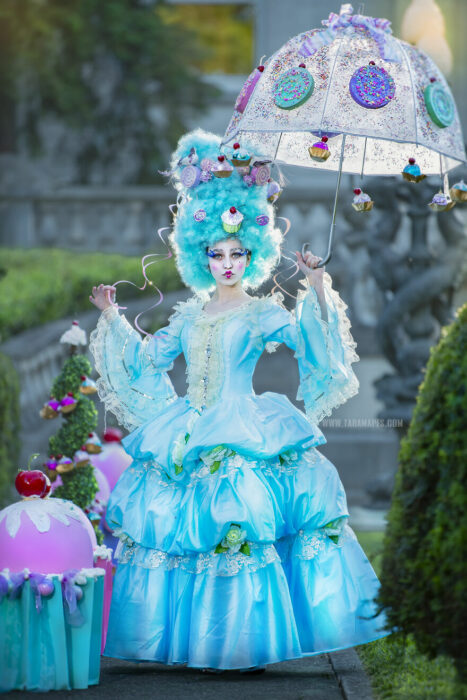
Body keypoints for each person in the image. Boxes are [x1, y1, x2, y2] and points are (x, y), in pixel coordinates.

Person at [88, 128, 390, 673]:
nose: (227, 262)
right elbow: (146, 362)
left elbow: (309, 341)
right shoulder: (188, 316)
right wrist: (112, 317)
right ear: (201, 256)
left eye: (237, 253)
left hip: (244, 427)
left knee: (238, 527)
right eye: (217, 253)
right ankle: (191, 644)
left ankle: (241, 645)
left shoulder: (261, 312)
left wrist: (317, 288)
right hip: (187, 430)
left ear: (253, 254)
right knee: (183, 535)